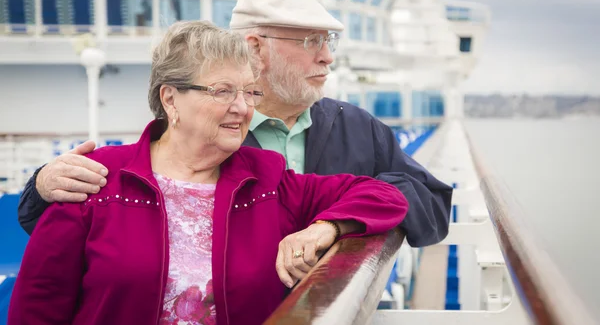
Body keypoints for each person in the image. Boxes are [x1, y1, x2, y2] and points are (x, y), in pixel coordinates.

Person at [8, 21, 408, 325]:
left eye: (249, 92)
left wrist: (324, 229)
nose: (242, 107)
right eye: (222, 91)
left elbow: (384, 195)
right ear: (171, 99)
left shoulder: (267, 181)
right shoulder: (97, 181)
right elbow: (38, 305)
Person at [17, 0, 452, 247]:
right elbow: (85, 216)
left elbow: (432, 206)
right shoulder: (203, 131)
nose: (327, 59)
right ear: (255, 49)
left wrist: (338, 224)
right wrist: (42, 185)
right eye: (310, 42)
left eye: (329, 43)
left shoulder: (358, 128)